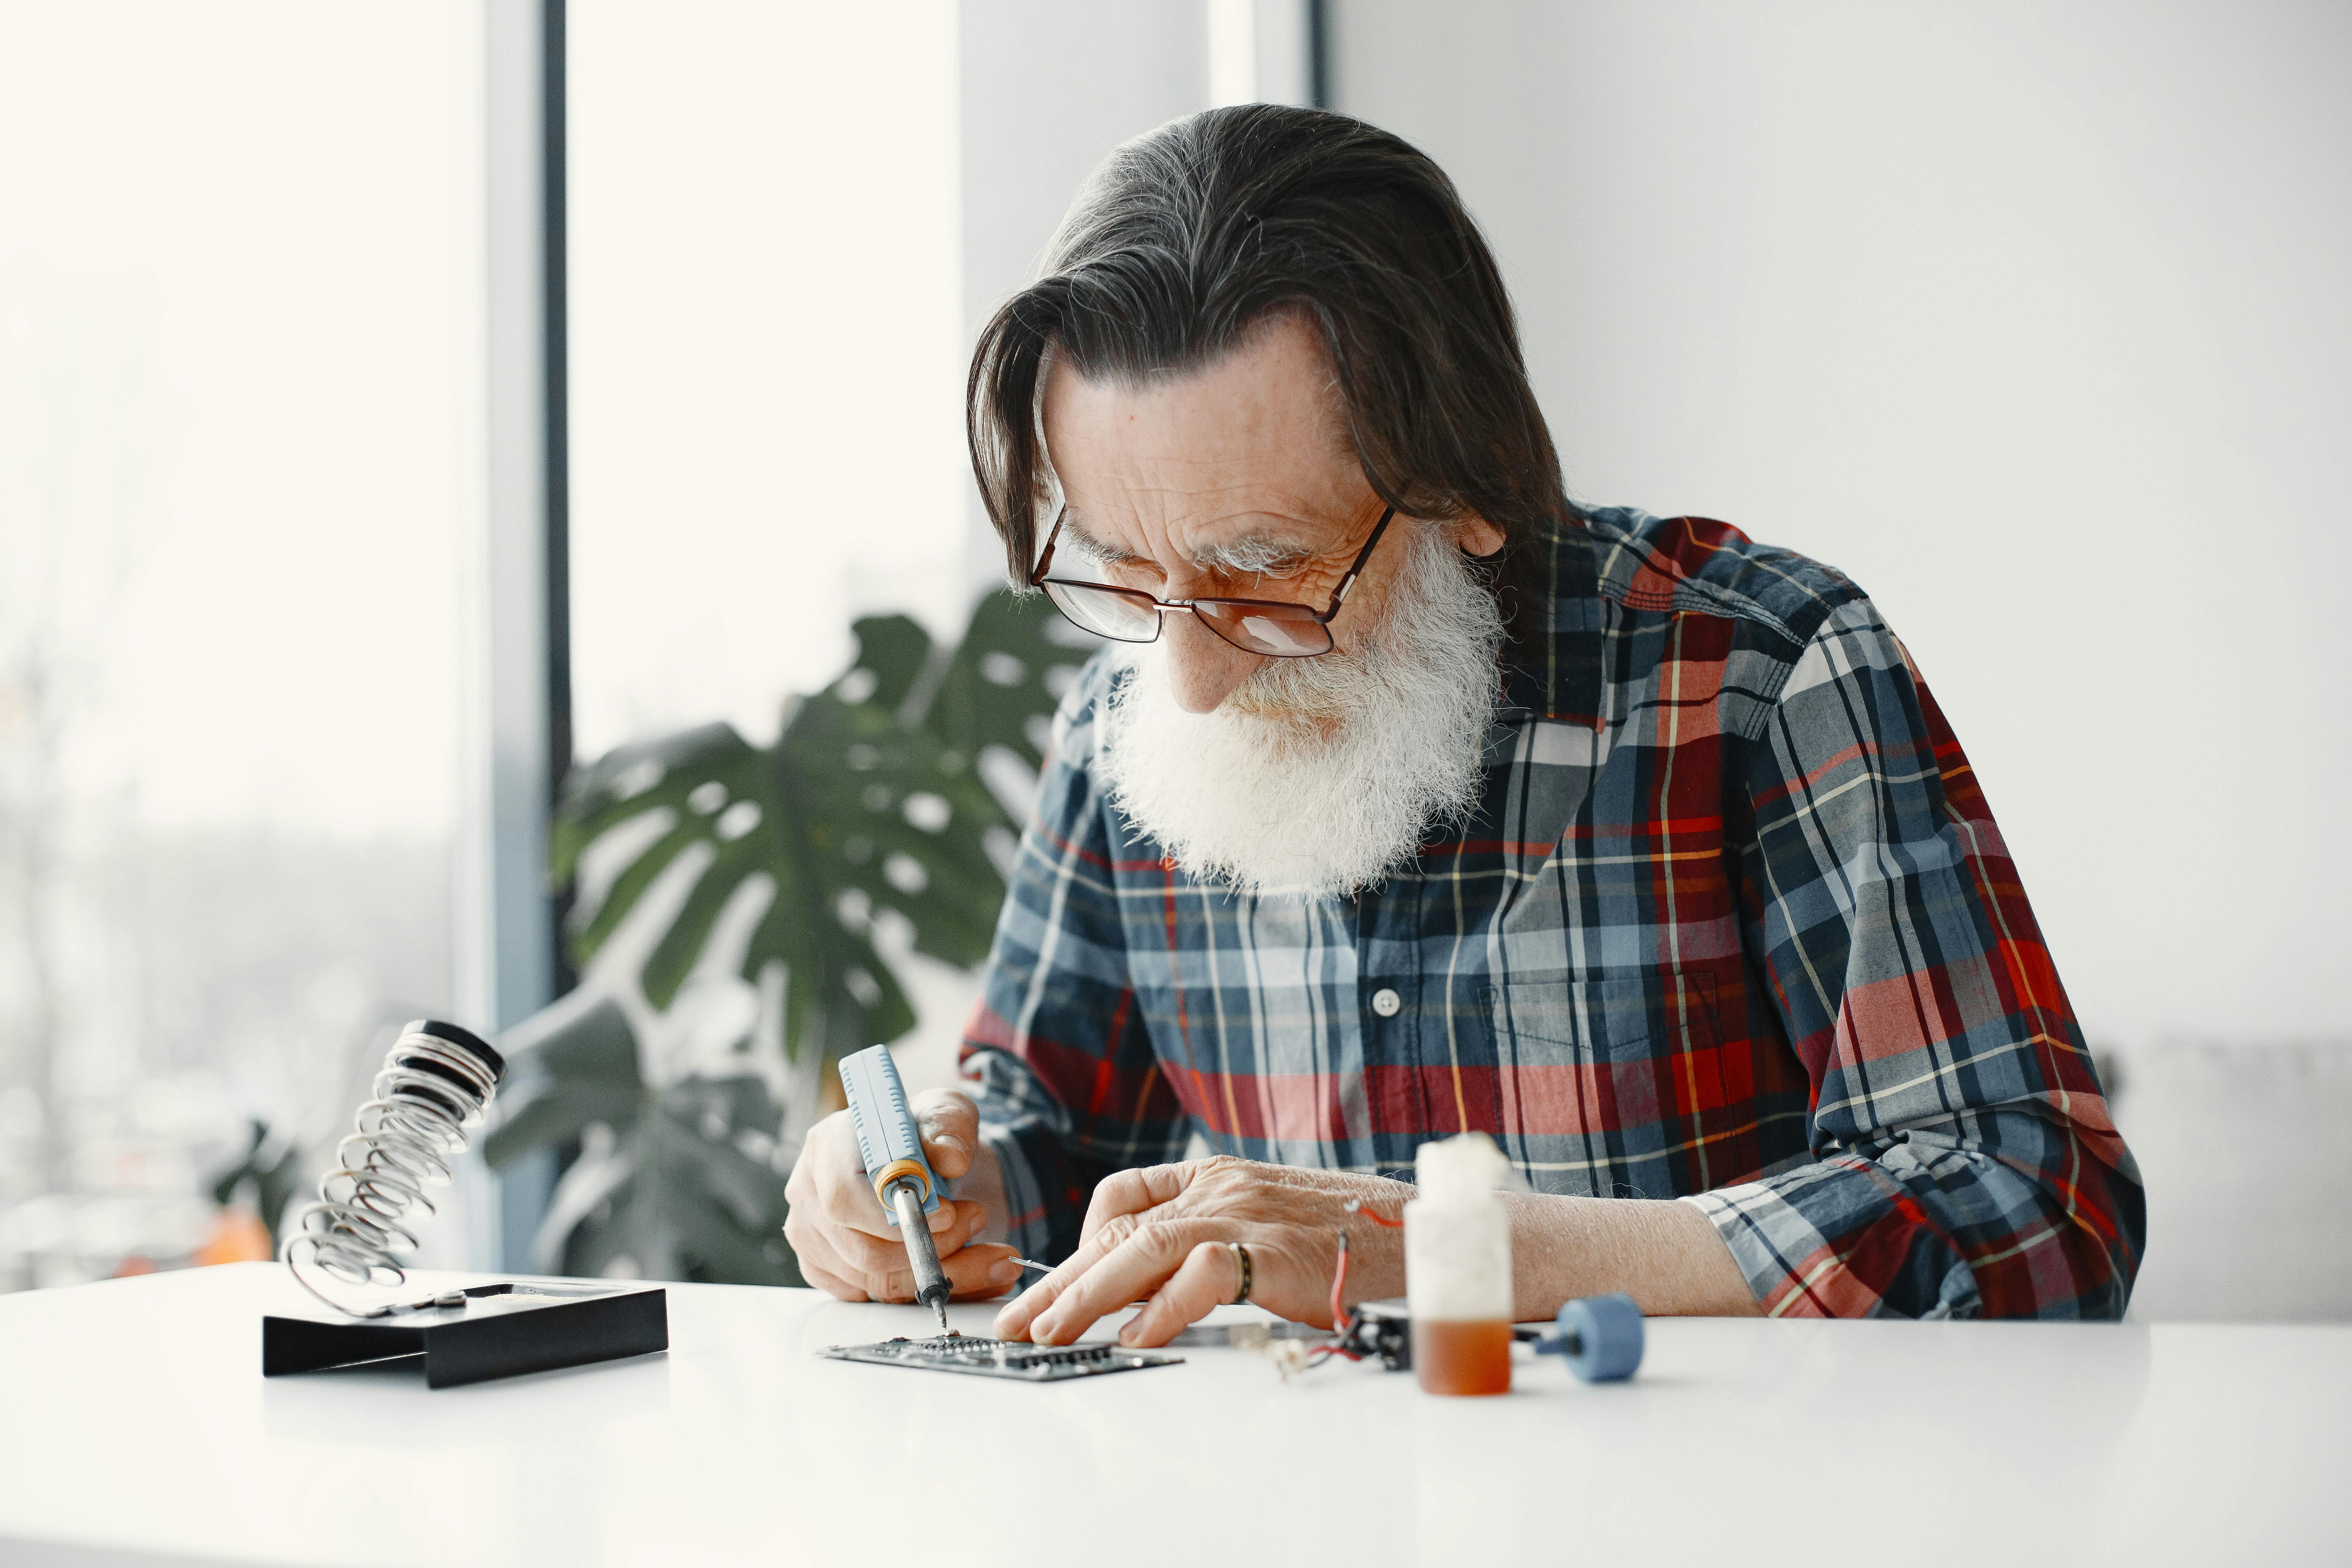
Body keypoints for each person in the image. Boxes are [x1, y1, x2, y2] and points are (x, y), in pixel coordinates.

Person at [784, 104, 2143, 1344]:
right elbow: (1054, 1144)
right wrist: (934, 1192)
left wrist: (1441, 1248)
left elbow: (2035, 1209)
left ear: (1468, 486)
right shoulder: (1122, 718)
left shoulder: (1759, 674)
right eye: (1126, 572)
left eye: (1265, 572)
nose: (1188, 678)